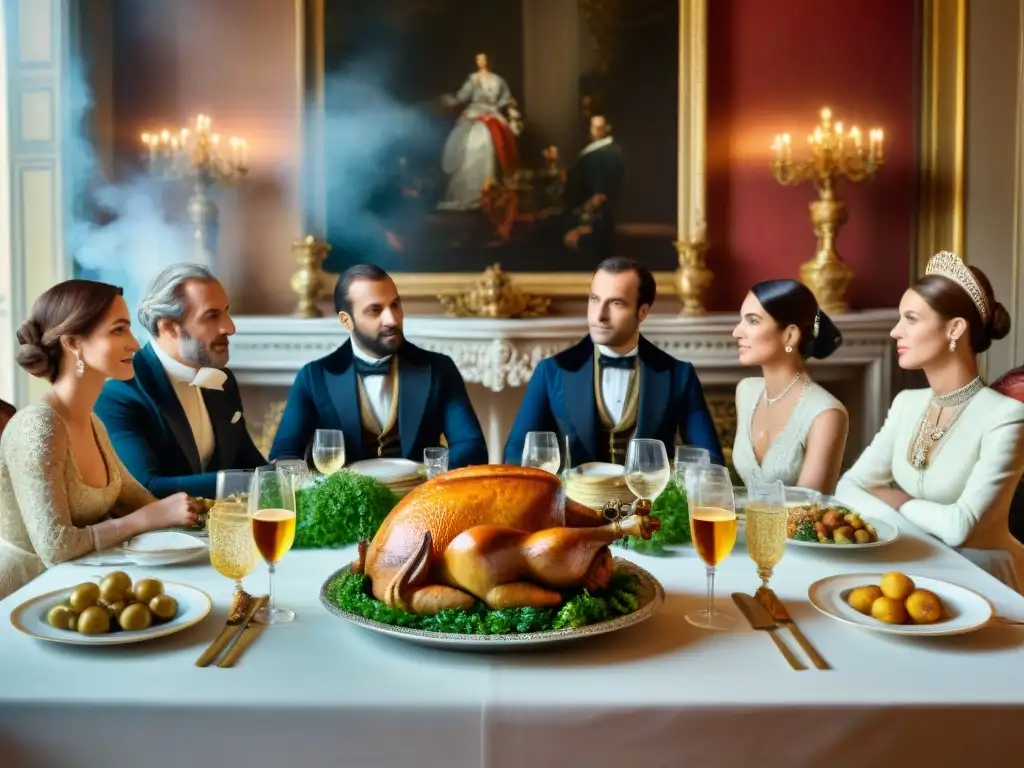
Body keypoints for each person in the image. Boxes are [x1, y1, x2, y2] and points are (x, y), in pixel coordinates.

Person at [837, 251, 1024, 591]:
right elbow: (847, 487)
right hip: (916, 569)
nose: (895, 331)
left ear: (955, 328)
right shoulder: (906, 404)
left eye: (911, 319)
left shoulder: (1006, 417)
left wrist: (899, 500)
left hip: (987, 581)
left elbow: (960, 527)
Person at [0, 280, 199, 599]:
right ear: (73, 343)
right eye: (118, 330)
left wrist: (208, 522)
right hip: (22, 596)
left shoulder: (92, 422)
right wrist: (148, 519)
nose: (135, 344)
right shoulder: (38, 427)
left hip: (81, 587)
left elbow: (136, 499)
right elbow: (56, 548)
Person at [504, 257, 724, 467]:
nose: (599, 315)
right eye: (595, 300)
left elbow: (711, 460)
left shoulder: (679, 375)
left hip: (649, 504)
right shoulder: (551, 371)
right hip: (572, 504)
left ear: (642, 312)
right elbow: (515, 452)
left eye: (616, 304)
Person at [269, 264, 488, 468]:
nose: (392, 319)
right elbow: (285, 455)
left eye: (395, 305)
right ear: (346, 320)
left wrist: (425, 473)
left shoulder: (439, 368)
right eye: (375, 310)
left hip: (419, 502)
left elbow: (472, 447)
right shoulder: (313, 377)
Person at [94, 264, 266, 500]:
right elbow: (147, 487)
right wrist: (254, 481)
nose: (230, 327)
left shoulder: (223, 382)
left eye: (226, 312)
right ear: (168, 327)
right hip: (159, 535)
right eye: (212, 316)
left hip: (220, 529)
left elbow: (249, 461)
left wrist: (296, 476)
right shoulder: (118, 392)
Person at [731, 279, 848, 492]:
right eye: (742, 320)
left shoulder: (826, 414)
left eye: (753, 321)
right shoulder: (746, 392)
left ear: (790, 335)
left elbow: (808, 514)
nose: (737, 332)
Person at [438, 52, 521, 211]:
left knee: (498, 141)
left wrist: (496, 107)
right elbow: (462, 96)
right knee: (471, 143)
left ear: (489, 60)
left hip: (492, 114)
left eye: (482, 58)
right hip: (475, 113)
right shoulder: (473, 79)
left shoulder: (497, 79)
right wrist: (451, 101)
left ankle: (491, 188)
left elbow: (505, 96)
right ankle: (470, 190)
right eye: (477, 59)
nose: (480, 61)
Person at [562, 114, 625, 261]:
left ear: (607, 128)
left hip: (595, 216)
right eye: (594, 127)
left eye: (600, 127)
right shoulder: (593, 151)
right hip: (582, 210)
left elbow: (602, 194)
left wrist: (583, 223)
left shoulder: (610, 153)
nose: (596, 130)